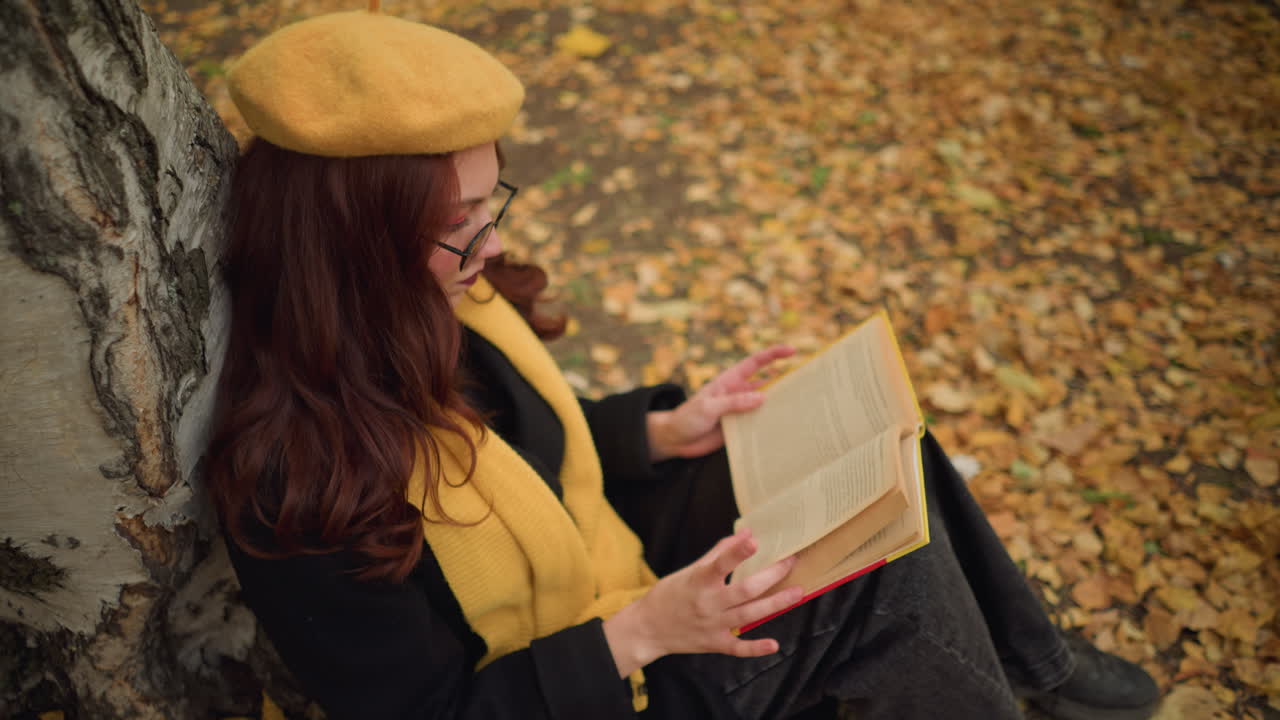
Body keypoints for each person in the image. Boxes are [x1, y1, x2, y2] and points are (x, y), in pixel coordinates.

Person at [207, 5, 1161, 720]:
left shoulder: (434, 302)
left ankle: (1036, 668)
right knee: (882, 582)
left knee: (883, 461)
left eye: (493, 204)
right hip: (586, 680)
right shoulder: (295, 487)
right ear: (350, 245)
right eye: (459, 225)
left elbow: (518, 453)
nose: (492, 246)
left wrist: (663, 430)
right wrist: (647, 631)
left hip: (609, 562)